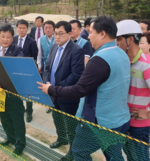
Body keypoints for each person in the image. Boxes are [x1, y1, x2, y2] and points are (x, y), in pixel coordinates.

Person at [38, 16, 131, 161]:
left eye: (91, 32)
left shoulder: (100, 59)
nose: (88, 36)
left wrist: (51, 90)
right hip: (119, 119)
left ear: (102, 34)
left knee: (78, 151)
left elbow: (79, 89)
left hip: (99, 123)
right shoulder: (121, 53)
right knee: (114, 155)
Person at [116, 20, 150, 161]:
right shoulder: (124, 60)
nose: (115, 43)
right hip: (125, 121)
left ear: (129, 40)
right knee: (130, 157)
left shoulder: (147, 64)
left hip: (139, 127)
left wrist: (148, 114)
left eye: (118, 39)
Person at [43, 21, 84, 160]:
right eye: (55, 33)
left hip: (67, 96)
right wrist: (47, 83)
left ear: (69, 33)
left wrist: (56, 89)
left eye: (61, 33)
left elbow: (75, 76)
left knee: (71, 126)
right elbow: (47, 67)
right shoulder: (54, 46)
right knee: (57, 119)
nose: (57, 36)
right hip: (53, 94)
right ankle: (61, 139)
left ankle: (73, 151)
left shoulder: (76, 50)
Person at [0, 24, 26, 156]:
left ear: (12, 38)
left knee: (17, 118)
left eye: (8, 37)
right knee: (4, 117)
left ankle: (20, 144)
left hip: (13, 92)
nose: (5, 39)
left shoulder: (18, 50)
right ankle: (10, 137)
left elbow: (19, 63)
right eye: (3, 36)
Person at [13, 19, 38, 123]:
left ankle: (29, 112)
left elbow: (35, 56)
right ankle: (21, 109)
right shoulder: (13, 39)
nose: (21, 30)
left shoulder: (32, 42)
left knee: (28, 93)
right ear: (17, 28)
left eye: (24, 28)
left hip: (27, 72)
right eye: (20, 28)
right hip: (15, 71)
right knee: (18, 91)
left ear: (27, 29)